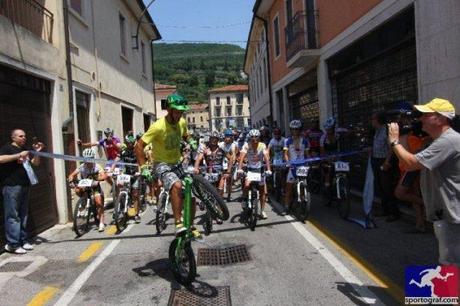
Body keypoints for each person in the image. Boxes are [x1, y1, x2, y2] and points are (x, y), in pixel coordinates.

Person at [387, 98, 460, 265]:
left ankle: (449, 291)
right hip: (446, 212)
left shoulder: (448, 141)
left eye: (426, 115)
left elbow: (410, 164)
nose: (420, 118)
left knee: (450, 262)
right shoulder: (436, 141)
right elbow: (408, 159)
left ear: (440, 118)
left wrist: (394, 140)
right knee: (448, 260)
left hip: (453, 214)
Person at [134, 93, 200, 237]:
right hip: (161, 164)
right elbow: (139, 146)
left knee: (191, 194)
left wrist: (190, 140)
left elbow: (185, 134)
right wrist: (144, 167)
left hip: (177, 163)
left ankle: (191, 225)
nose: (179, 115)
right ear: (169, 110)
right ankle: (178, 223)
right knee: (176, 185)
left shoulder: (181, 122)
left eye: (181, 112)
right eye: (176, 111)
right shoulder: (158, 126)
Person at [0, 129, 44, 254]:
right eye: (20, 136)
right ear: (13, 138)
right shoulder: (7, 148)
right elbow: (1, 159)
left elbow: (35, 163)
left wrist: (37, 153)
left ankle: (23, 241)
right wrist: (19, 155)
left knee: (23, 215)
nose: (24, 138)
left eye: (24, 136)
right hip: (11, 186)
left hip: (25, 185)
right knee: (13, 216)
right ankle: (13, 244)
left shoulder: (25, 148)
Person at [68, 148, 108, 232]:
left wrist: (99, 178)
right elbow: (72, 174)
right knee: (77, 189)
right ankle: (84, 201)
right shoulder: (82, 166)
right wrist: (71, 180)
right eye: (86, 159)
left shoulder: (97, 166)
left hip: (94, 186)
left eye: (90, 159)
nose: (88, 161)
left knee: (99, 203)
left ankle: (101, 223)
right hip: (85, 186)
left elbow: (104, 176)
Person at [370, 111, 400, 222]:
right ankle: (385, 209)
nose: (371, 121)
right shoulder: (376, 131)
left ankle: (394, 212)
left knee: (387, 187)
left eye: (373, 119)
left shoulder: (387, 130)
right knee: (381, 186)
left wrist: (387, 162)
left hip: (385, 161)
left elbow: (391, 147)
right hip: (376, 160)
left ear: (378, 119)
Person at [237, 129, 272, 219]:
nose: (254, 139)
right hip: (250, 170)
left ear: (259, 137)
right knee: (246, 185)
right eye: (252, 137)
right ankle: (245, 200)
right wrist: (240, 169)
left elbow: (266, 158)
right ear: (249, 138)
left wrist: (268, 169)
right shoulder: (246, 145)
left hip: (260, 170)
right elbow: (241, 158)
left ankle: (262, 211)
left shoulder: (262, 145)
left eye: (256, 137)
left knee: (262, 192)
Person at [283, 120, 310, 213]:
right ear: (291, 130)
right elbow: (286, 154)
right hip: (292, 166)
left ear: (300, 130)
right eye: (293, 129)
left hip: (302, 166)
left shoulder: (305, 141)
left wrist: (309, 162)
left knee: (303, 185)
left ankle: (303, 201)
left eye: (297, 129)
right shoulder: (287, 141)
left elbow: (307, 154)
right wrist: (287, 162)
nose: (295, 131)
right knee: (289, 187)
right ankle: (286, 206)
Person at [115, 133, 141, 223]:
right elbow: (117, 159)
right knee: (119, 187)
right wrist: (112, 169)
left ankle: (137, 214)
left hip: (135, 175)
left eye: (131, 143)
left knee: (135, 194)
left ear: (133, 143)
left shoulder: (137, 151)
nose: (130, 145)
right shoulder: (123, 151)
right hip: (126, 175)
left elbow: (141, 162)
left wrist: (140, 172)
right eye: (128, 143)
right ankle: (119, 207)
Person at [218, 129, 237, 200]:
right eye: (227, 136)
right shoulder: (220, 144)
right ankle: (220, 195)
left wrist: (232, 160)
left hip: (230, 164)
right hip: (222, 164)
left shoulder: (233, 145)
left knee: (229, 181)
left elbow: (234, 154)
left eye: (230, 136)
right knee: (222, 179)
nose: (228, 138)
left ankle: (229, 194)